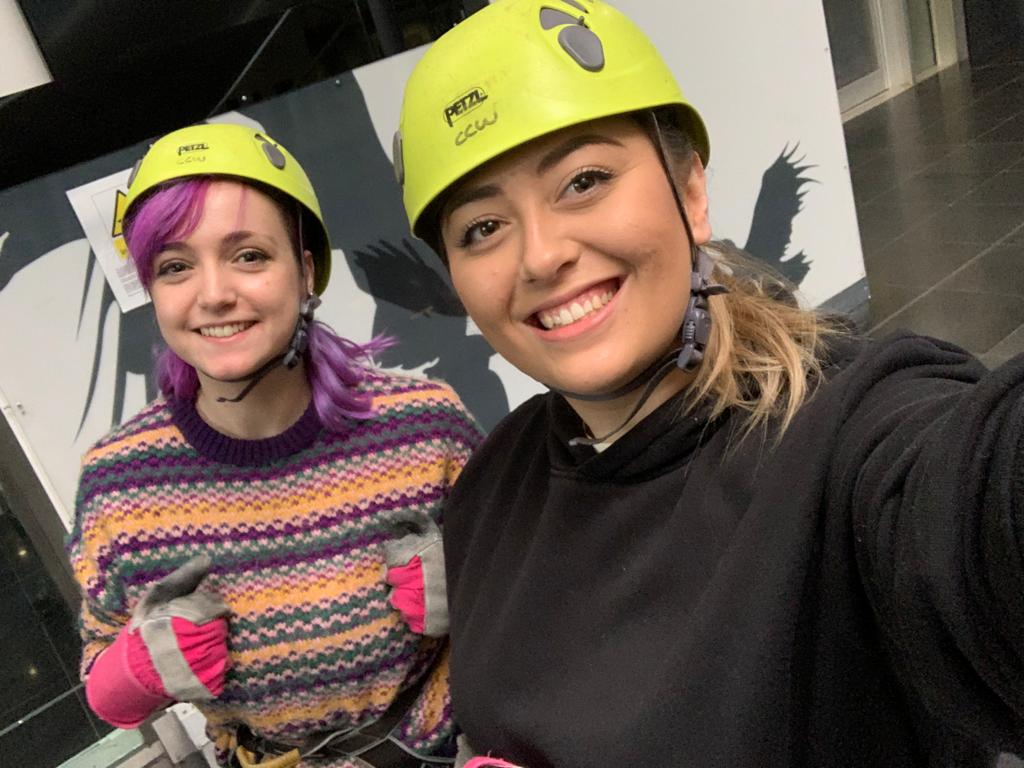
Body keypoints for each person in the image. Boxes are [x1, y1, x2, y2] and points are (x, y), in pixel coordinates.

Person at [393, 1, 1024, 765]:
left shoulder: (845, 436)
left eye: (583, 180)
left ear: (690, 190)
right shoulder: (492, 488)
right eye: (482, 228)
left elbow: (979, 508)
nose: (540, 256)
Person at [68, 122, 483, 768]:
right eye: (176, 266)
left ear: (306, 270)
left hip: (443, 754)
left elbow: (540, 584)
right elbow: (103, 682)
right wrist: (139, 670)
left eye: (249, 255)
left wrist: (478, 584)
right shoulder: (120, 485)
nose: (213, 294)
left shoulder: (423, 426)